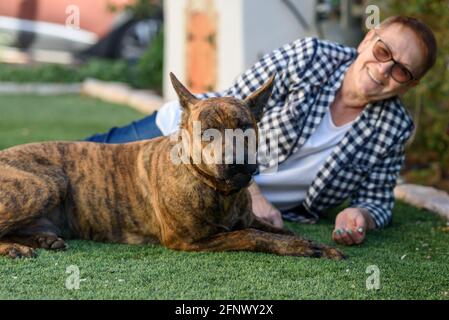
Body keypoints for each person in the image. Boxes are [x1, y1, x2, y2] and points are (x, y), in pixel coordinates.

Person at [86, 16, 437, 246]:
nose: (383, 68)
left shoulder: (393, 128)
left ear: (410, 84)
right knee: (78, 159)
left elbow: (376, 200)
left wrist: (359, 214)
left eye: (401, 70)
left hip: (224, 203)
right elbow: (232, 111)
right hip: (184, 137)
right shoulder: (310, 56)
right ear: (365, 41)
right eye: (382, 50)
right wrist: (254, 195)